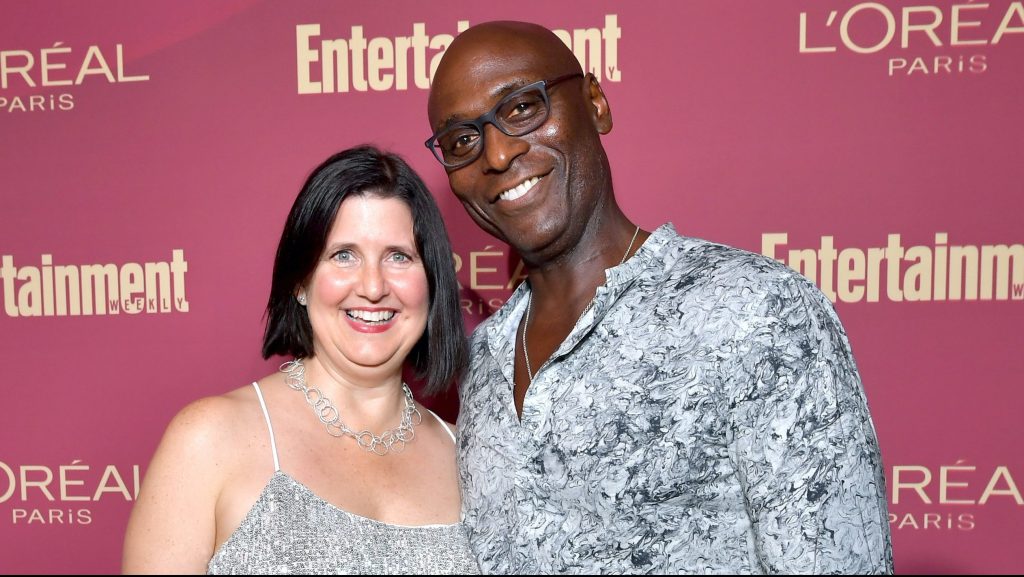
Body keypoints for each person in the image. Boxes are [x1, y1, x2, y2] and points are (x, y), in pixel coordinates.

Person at [424, 21, 894, 574]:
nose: (497, 154)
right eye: (462, 141)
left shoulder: (756, 311)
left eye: (524, 107)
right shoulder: (481, 364)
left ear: (595, 102)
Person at [122, 146, 479, 574]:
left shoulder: (471, 455)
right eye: (343, 255)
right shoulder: (209, 439)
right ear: (301, 282)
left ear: (432, 283)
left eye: (398, 256)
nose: (372, 286)